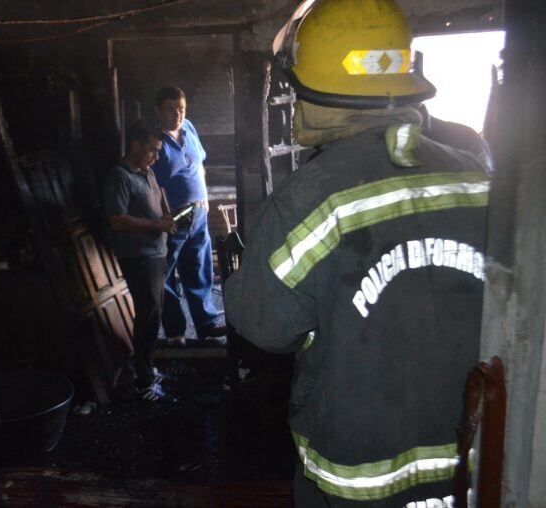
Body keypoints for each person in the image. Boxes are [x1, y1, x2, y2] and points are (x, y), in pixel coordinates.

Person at [225, 1, 490, 506]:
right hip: (471, 470)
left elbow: (264, 326)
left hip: (357, 481)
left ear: (315, 90)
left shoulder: (309, 198)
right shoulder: (479, 177)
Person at [103, 120, 177, 402]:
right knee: (148, 316)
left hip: (157, 253)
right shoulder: (119, 177)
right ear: (135, 145)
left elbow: (159, 199)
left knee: (153, 314)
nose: (156, 157)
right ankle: (143, 380)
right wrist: (156, 224)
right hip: (139, 257)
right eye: (153, 150)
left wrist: (168, 216)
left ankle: (147, 367)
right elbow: (117, 220)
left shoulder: (146, 171)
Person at [152, 86, 226, 346]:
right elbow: (155, 184)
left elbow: (199, 164)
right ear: (158, 111)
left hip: (198, 212)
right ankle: (175, 332)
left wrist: (205, 197)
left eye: (181, 109)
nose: (177, 115)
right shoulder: (157, 142)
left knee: (199, 268)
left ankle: (206, 324)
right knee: (167, 274)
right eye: (171, 110)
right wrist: (165, 215)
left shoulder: (189, 129)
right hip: (175, 216)